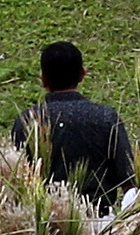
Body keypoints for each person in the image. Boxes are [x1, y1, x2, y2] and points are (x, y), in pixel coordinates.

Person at [14, 41, 133, 210]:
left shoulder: (27, 121)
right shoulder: (106, 117)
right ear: (82, 74)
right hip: (98, 223)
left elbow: (16, 180)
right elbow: (128, 181)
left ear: (43, 79)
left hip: (42, 226)